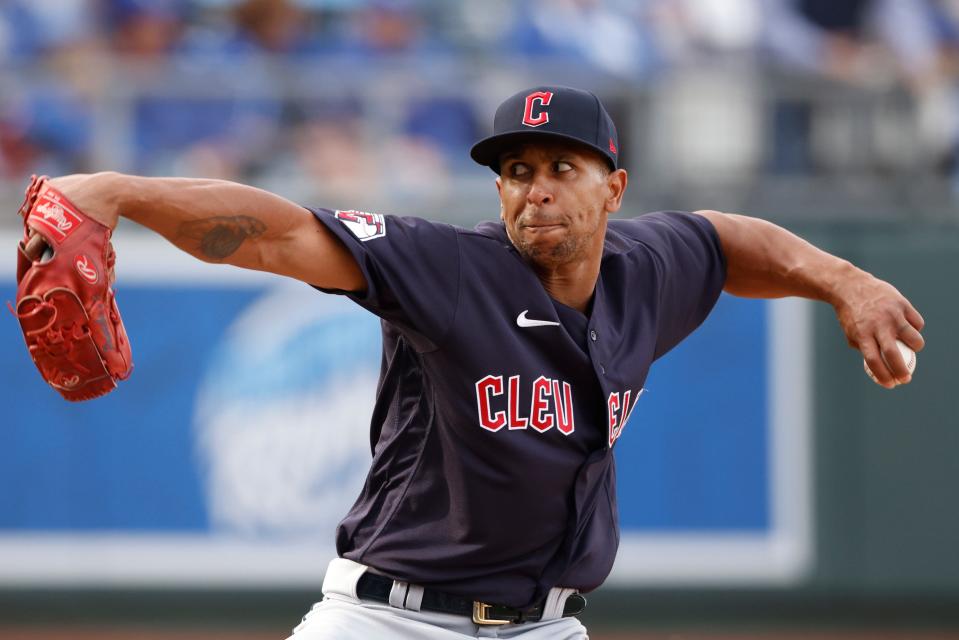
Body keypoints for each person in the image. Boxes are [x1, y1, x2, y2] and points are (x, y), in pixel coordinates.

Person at [40, 85, 924, 639]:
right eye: (514, 169)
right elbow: (278, 236)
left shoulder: (644, 271)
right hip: (387, 620)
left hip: (546, 627)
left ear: (612, 187)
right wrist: (119, 192)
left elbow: (730, 241)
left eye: (559, 167)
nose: (533, 186)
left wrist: (845, 282)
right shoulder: (450, 268)